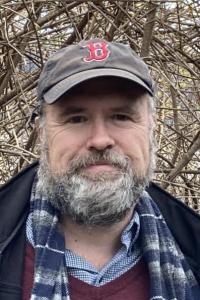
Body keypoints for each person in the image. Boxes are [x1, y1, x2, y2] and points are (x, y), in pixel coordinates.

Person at [0, 39, 199, 300]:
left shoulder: (192, 250)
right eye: (76, 119)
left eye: (121, 117)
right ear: (41, 133)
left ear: (152, 128)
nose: (100, 140)